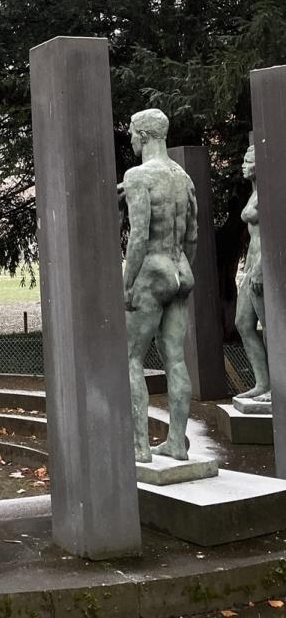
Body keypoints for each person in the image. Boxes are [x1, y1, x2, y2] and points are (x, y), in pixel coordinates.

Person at [122, 109, 198, 462]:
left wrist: (127, 284)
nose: (130, 139)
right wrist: (181, 267)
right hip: (180, 268)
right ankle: (177, 444)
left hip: (152, 271)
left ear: (144, 135)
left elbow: (138, 237)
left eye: (132, 133)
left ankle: (140, 448)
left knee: (131, 358)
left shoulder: (138, 176)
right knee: (176, 360)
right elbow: (192, 235)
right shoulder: (183, 177)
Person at [235, 144, 270, 402]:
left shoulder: (270, 191)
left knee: (271, 328)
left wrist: (260, 268)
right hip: (251, 267)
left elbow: (274, 234)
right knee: (243, 323)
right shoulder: (254, 193)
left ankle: (277, 388)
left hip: (262, 267)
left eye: (248, 161)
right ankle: (262, 383)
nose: (243, 166)